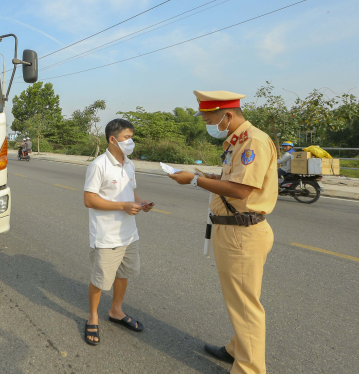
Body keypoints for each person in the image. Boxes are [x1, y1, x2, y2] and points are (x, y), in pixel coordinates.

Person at [168, 90, 277, 374]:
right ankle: (236, 349)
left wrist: (194, 181)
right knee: (239, 299)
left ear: (227, 115)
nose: (207, 123)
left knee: (245, 306)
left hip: (242, 233)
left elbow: (242, 190)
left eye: (209, 118)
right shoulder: (238, 140)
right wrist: (210, 178)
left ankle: (249, 369)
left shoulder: (253, 141)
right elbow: (235, 179)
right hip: (234, 230)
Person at [83, 118, 154, 346]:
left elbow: (130, 193)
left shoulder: (129, 164)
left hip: (129, 234)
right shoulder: (98, 165)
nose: (130, 141)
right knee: (100, 279)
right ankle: (93, 316)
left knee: (123, 274)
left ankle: (116, 310)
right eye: (127, 137)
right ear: (113, 139)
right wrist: (122, 206)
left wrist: (141, 202)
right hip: (107, 235)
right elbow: (89, 199)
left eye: (131, 137)